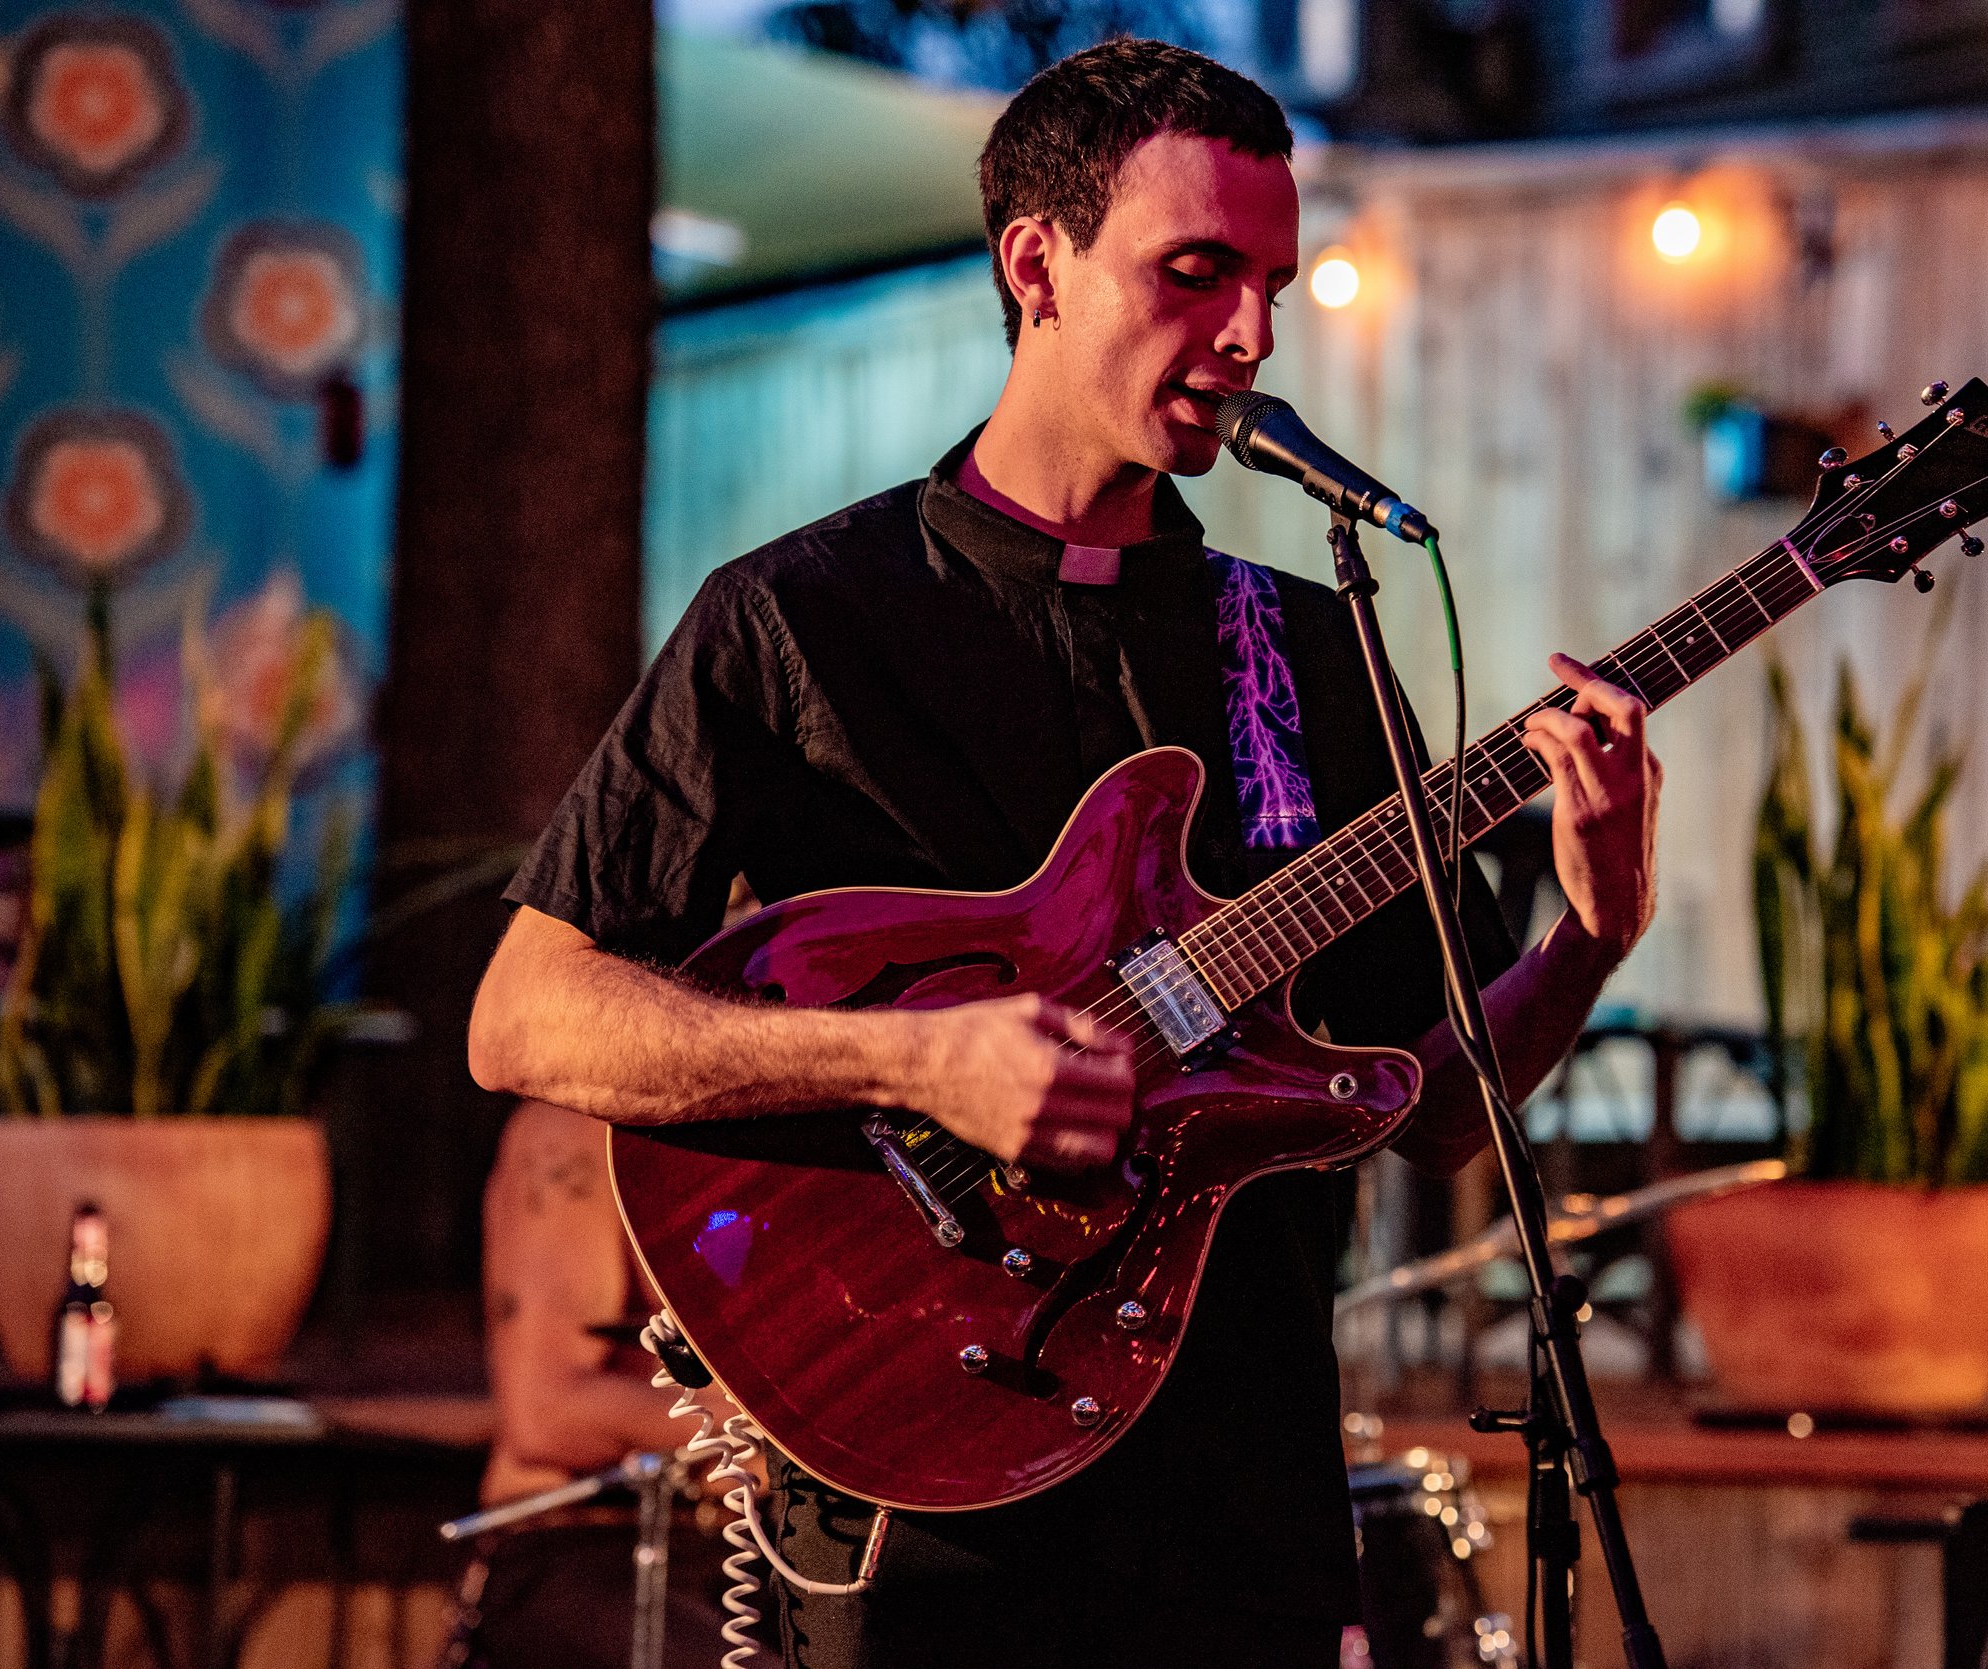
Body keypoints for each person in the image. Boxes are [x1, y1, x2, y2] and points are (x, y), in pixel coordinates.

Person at [468, 38, 1661, 1669]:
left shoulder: (1300, 650)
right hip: (915, 1477)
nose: (1247, 334)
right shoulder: (801, 619)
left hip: (1242, 1512)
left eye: (1270, 283)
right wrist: (913, 1058)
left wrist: (1585, 939)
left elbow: (1436, 1108)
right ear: (1037, 261)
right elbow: (527, 1015)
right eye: (1195, 271)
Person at [457, 1099, 739, 1669]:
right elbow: (546, 1412)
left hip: (762, 1550)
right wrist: (766, 1430)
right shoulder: (569, 1137)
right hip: (585, 1540)